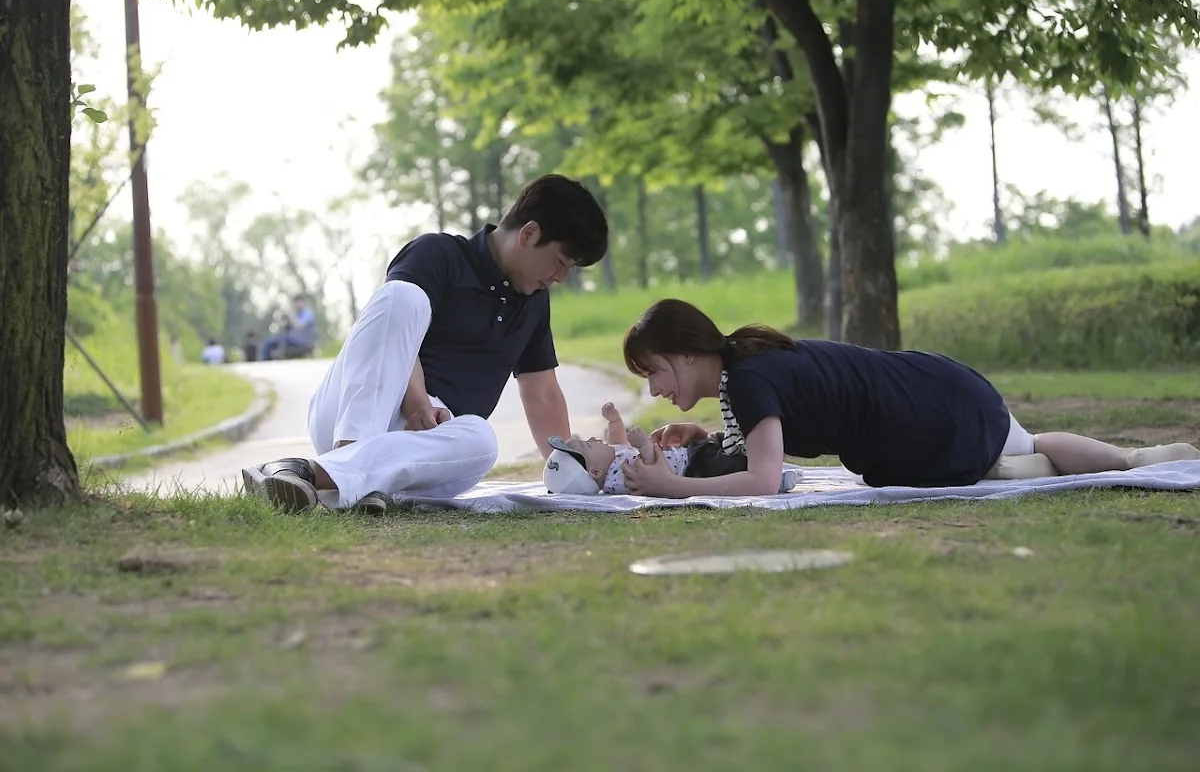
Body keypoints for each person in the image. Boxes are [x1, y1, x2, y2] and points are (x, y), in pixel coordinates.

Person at [241, 174, 609, 513]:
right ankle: (345, 458)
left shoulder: (533, 303)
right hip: (352, 414)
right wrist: (417, 400)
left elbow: (542, 392)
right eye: (561, 262)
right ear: (529, 234)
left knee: (482, 439)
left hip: (425, 450)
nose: (560, 277)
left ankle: (330, 478)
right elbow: (392, 326)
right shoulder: (438, 254)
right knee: (402, 296)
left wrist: (571, 469)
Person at [614, 298, 1200, 498]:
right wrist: (705, 439)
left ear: (686, 354)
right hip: (941, 389)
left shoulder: (746, 378)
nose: (655, 389)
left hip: (925, 417)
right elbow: (762, 445)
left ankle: (1019, 466)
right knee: (1025, 442)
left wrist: (674, 487)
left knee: (1008, 456)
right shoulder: (747, 364)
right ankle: (1131, 459)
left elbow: (764, 481)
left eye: (654, 372)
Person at [543, 401, 798, 495]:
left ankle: (765, 454)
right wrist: (644, 445)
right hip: (692, 468)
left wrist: (614, 422)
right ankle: (777, 479)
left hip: (689, 453)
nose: (594, 439)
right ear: (595, 472)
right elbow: (650, 467)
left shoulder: (612, 459)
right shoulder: (617, 478)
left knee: (723, 441)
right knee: (726, 464)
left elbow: (617, 441)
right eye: (589, 445)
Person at [261, 295, 317, 360]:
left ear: (303, 302)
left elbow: (300, 326)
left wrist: (292, 316)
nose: (296, 305)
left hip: (301, 341)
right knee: (268, 343)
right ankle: (266, 361)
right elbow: (286, 328)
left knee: (281, 340)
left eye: (298, 302)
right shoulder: (297, 313)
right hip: (292, 339)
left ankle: (277, 356)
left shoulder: (307, 313)